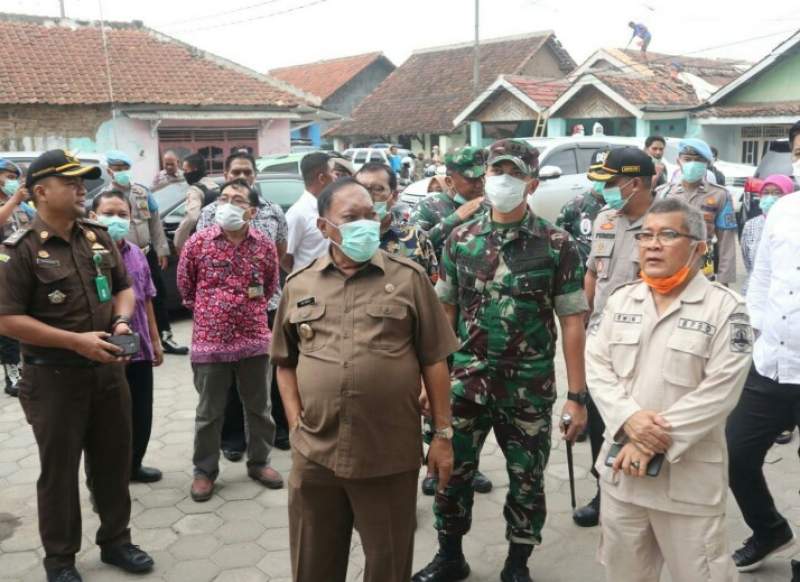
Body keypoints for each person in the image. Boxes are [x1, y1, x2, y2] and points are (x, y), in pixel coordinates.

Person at [414, 139, 589, 582]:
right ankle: (450, 556)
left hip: (527, 387)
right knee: (451, 473)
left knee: (527, 479)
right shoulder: (460, 238)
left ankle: (517, 563)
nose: (502, 181)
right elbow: (445, 312)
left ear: (531, 183)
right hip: (464, 381)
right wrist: (429, 379)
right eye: (496, 172)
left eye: (513, 174)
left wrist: (576, 395)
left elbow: (571, 322)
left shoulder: (557, 244)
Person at [271, 177, 459, 582]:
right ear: (324, 227)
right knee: (313, 564)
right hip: (316, 450)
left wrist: (442, 435)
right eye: (351, 218)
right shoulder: (299, 285)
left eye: (371, 215)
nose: (365, 225)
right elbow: (284, 361)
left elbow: (436, 360)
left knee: (388, 564)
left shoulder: (409, 279)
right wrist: (293, 422)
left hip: (388, 451)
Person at [0, 149, 154, 582]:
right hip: (53, 379)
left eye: (83, 180)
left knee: (112, 462)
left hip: (107, 372)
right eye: (70, 182)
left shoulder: (98, 236)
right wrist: (75, 342)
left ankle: (116, 541)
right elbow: (7, 319)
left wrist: (122, 319)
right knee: (60, 472)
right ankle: (60, 560)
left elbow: (123, 288)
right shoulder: (20, 250)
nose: (81, 188)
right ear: (39, 192)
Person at [587, 197, 751, 582]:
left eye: (667, 235)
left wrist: (647, 440)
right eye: (645, 235)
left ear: (698, 246)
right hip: (623, 479)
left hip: (688, 484)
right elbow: (597, 368)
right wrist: (628, 419)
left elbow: (720, 391)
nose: (652, 244)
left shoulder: (726, 309)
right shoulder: (621, 300)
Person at [177, 178, 283, 501]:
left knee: (260, 408)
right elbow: (185, 287)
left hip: (253, 339)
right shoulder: (199, 243)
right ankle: (205, 471)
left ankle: (259, 462)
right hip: (210, 341)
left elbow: (269, 286)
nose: (228, 204)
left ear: (251, 211)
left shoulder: (263, 244)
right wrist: (214, 312)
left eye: (237, 200)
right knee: (210, 411)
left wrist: (243, 310)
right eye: (223, 198)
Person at [570, 147, 657, 528]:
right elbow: (593, 273)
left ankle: (645, 493)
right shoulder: (605, 218)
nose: (604, 189)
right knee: (602, 421)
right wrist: (584, 319)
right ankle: (604, 490)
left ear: (634, 183)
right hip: (601, 338)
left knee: (639, 419)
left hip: (645, 344)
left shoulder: (664, 224)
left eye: (611, 182)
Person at [726, 162, 800, 572]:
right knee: (735, 453)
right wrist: (751, 332)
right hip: (770, 363)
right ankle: (769, 528)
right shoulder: (784, 210)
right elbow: (763, 275)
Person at [196, 151, 291, 458]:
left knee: (268, 375)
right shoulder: (211, 212)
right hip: (218, 318)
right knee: (224, 388)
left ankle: (275, 434)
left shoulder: (273, 211)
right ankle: (233, 439)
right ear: (225, 173)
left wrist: (261, 298)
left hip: (265, 306)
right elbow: (192, 273)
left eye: (247, 172)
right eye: (235, 171)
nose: (241, 177)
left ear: (255, 175)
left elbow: (277, 254)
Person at [91, 190, 164, 483]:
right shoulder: (85, 253)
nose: (116, 220)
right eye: (109, 213)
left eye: (123, 214)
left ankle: (134, 466)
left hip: (138, 345)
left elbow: (146, 299)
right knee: (108, 415)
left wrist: (156, 341)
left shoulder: (135, 253)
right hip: (101, 347)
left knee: (141, 411)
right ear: (93, 216)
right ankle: (107, 474)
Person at [104, 150, 187, 356]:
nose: (122, 172)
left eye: (125, 169)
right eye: (117, 169)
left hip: (146, 252)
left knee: (156, 294)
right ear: (109, 171)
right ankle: (128, 340)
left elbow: (155, 222)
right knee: (123, 297)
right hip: (119, 254)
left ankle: (165, 336)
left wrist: (161, 249)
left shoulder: (142, 192)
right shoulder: (105, 197)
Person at [655, 138, 737, 286]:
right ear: (678, 161)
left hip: (703, 271)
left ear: (707, 164)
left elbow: (726, 242)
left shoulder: (720, 195)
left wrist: (724, 282)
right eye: (687, 159)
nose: (692, 164)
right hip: (668, 269)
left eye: (698, 160)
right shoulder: (663, 194)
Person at [410, 146, 486, 257]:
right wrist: (455, 219)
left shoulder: (489, 205)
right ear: (449, 182)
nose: (480, 184)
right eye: (471, 179)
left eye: (482, 177)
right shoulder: (428, 206)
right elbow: (412, 249)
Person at [0, 158, 32, 397]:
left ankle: (26, 368)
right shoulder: (14, 202)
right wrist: (14, 200)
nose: (11, 181)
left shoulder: (22, 206)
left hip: (21, 269)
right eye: (7, 176)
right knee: (7, 324)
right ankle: (12, 375)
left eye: (14, 177)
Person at [741, 175, 795, 295]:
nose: (770, 197)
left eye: (777, 193)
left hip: (787, 294)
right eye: (766, 193)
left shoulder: (795, 225)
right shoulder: (751, 225)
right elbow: (748, 263)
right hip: (755, 292)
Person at [555, 149, 609, 266]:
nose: (604, 178)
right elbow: (558, 242)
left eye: (609, 173)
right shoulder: (574, 206)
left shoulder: (621, 206)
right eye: (600, 172)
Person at [283, 152, 333, 272]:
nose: (336, 177)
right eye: (332, 172)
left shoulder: (330, 208)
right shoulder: (298, 214)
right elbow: (284, 257)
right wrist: (302, 280)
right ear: (322, 178)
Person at [174, 152, 221, 253]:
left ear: (195, 170)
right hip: (220, 242)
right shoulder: (216, 186)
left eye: (186, 170)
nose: (184, 174)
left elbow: (191, 217)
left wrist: (178, 242)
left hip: (202, 245)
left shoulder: (195, 190)